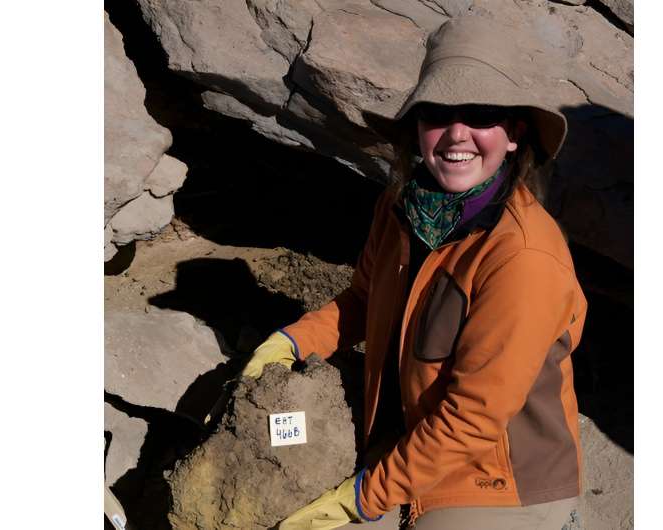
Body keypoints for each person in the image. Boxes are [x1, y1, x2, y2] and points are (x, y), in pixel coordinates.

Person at [244, 15, 587, 530]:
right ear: (417, 128)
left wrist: (360, 498)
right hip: (409, 438)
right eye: (437, 114)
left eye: (480, 115)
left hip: (495, 479)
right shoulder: (400, 207)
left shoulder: (523, 257)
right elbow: (361, 301)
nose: (456, 135)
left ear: (514, 134)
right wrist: (290, 343)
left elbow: (472, 420)